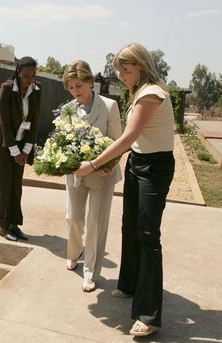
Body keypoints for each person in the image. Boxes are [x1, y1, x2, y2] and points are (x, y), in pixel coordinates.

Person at [75, 43, 175, 337]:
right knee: (130, 226)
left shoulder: (152, 93)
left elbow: (130, 135)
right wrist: (113, 160)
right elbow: (132, 142)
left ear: (141, 67)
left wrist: (94, 163)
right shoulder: (139, 92)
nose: (121, 76)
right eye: (119, 70)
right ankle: (130, 284)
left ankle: (149, 315)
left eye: (126, 70)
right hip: (138, 162)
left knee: (147, 235)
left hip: (154, 168)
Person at [61, 61, 122, 292]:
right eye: (70, 88)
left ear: (90, 82)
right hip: (75, 174)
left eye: (79, 86)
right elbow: (63, 141)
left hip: (102, 175)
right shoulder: (68, 108)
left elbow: (117, 141)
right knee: (73, 218)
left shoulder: (109, 106)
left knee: (96, 223)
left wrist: (107, 164)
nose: (76, 92)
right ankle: (74, 253)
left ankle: (91, 272)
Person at [0, 56, 41, 242]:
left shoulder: (36, 89)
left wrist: (26, 150)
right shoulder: (7, 88)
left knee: (17, 185)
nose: (29, 80)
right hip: (4, 138)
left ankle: (15, 224)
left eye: (33, 76)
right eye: (26, 76)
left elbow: (34, 121)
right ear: (18, 72)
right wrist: (15, 151)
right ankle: (3, 225)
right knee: (6, 183)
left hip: (22, 139)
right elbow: (5, 121)